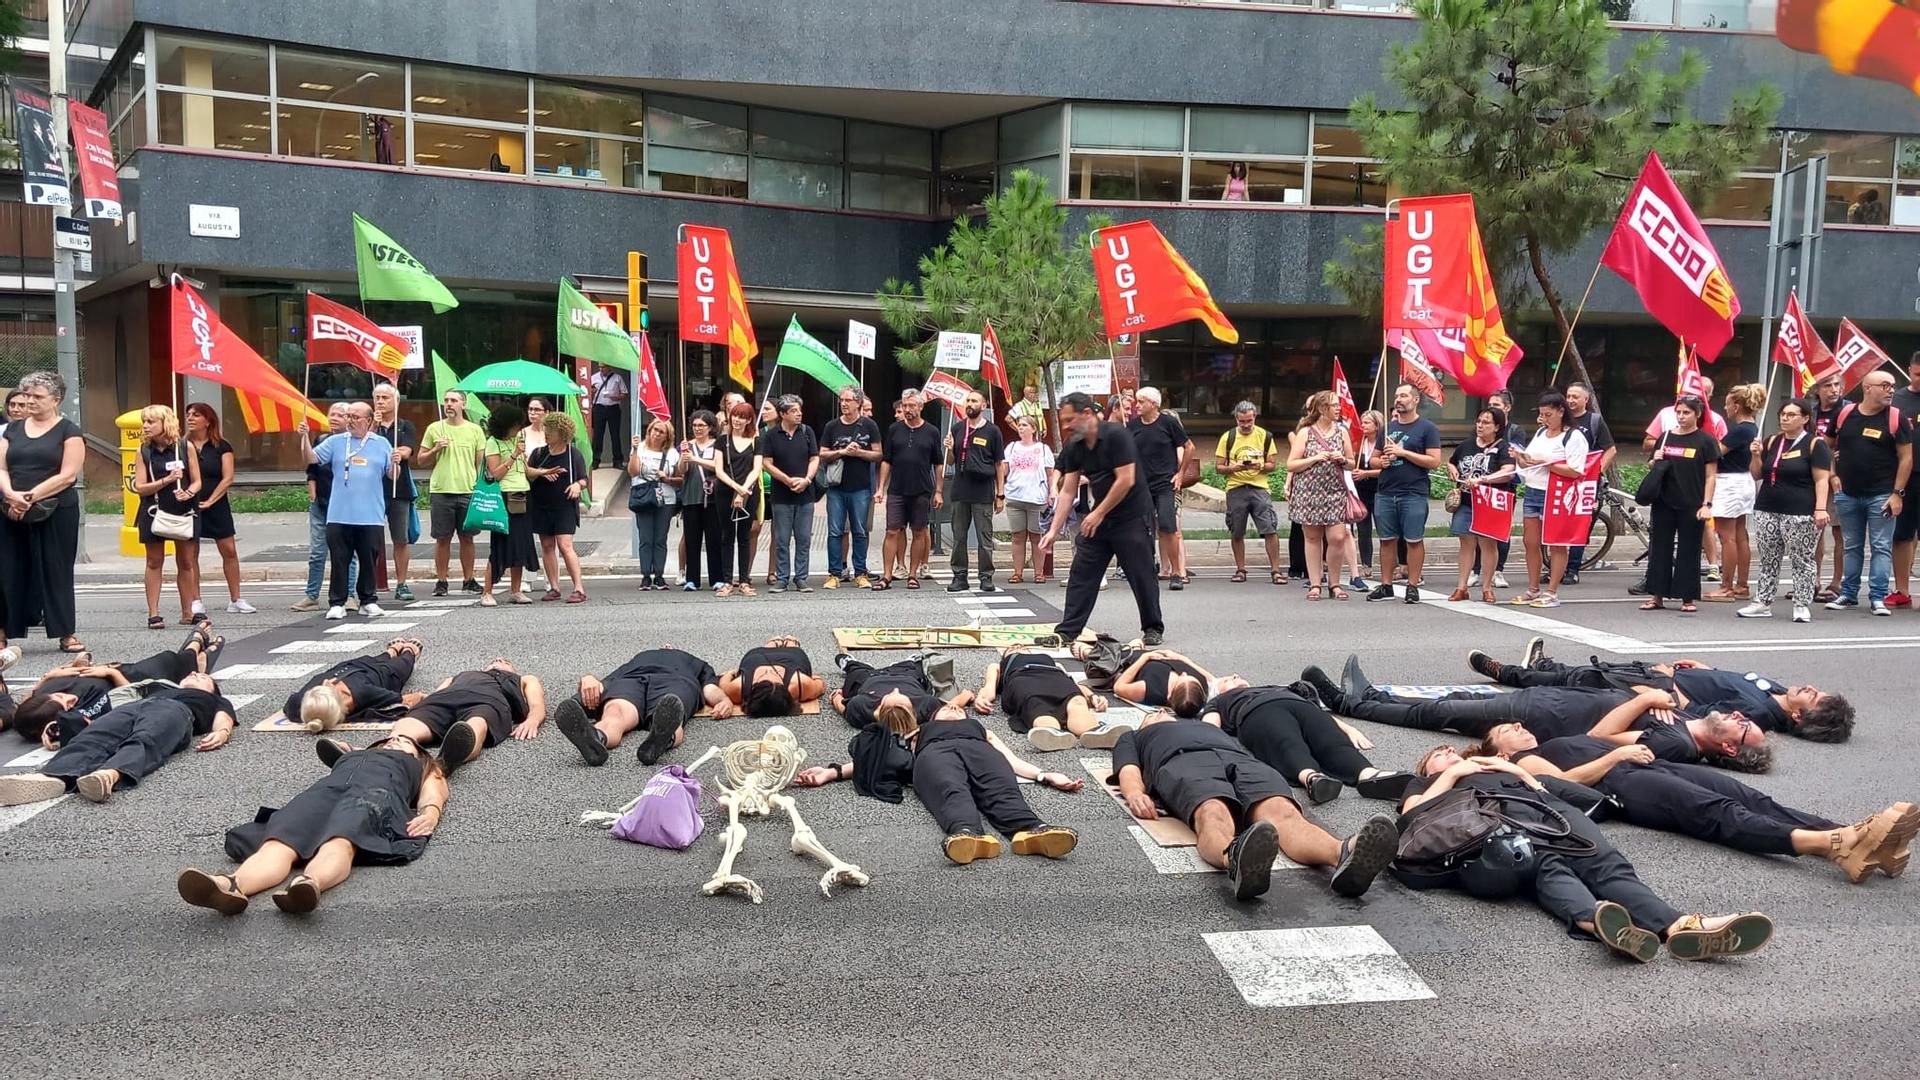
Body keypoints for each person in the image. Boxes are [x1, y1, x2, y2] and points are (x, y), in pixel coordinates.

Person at [1399, 747, 1775, 962]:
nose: (1449, 753)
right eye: (1439, 755)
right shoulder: (1427, 782)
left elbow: (1549, 791)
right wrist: (1451, 774)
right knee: (1547, 865)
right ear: (1426, 768)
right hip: (1492, 820)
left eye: (1451, 750)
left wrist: (1514, 770)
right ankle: (1598, 921)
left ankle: (1680, 927)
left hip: (1548, 809)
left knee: (1605, 862)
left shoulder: (1497, 767)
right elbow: (1412, 815)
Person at [1488, 724, 1915, 883]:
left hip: (1648, 764)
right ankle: (1832, 845)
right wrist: (1616, 756)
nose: (1520, 726)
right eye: (1509, 728)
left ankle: (1861, 835)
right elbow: (1561, 782)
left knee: (1746, 795)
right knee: (1718, 814)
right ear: (1500, 751)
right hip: (1624, 784)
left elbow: (1617, 730)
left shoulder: (1563, 737)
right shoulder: (1524, 759)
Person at [1111, 713, 1401, 902]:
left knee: (1281, 811)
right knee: (1212, 810)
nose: (1160, 713)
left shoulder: (1206, 725)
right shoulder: (1136, 736)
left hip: (1240, 760)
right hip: (1180, 761)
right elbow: (1127, 767)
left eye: (1163, 711)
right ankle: (1234, 857)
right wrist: (1136, 793)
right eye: (1152, 714)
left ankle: (1343, 854)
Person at [180, 730, 450, 915]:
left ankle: (309, 883)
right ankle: (232, 886)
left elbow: (435, 790)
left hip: (374, 794)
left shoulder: (423, 767)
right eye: (387, 739)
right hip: (324, 791)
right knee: (280, 840)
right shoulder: (354, 755)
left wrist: (430, 812)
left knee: (342, 840)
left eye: (404, 741)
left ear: (418, 754)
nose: (393, 740)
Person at [796, 695, 1082, 865]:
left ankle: (1031, 830)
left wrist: (1046, 775)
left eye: (959, 709)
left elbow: (1011, 761)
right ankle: (968, 834)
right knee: (950, 790)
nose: (955, 709)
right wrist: (831, 771)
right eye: (948, 708)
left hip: (980, 751)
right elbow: (881, 757)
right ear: (933, 715)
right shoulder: (919, 731)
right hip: (934, 755)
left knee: (1001, 787)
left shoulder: (978, 728)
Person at [1464, 645, 1855, 743]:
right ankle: (1540, 665)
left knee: (1580, 682)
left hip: (1656, 687)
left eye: (1815, 698)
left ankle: (1508, 673)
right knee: (1585, 672)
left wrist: (1663, 686)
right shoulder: (1777, 692)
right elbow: (1728, 681)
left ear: (1800, 718)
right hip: (1661, 677)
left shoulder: (1760, 714)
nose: (1812, 688)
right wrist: (1703, 668)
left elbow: (1700, 711)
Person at [1039, 392, 1165, 646]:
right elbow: (1067, 489)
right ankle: (1067, 631)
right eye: (1063, 421)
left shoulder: (1116, 436)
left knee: (1141, 573)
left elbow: (1126, 479)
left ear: (1087, 414)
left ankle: (1153, 627)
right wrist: (1054, 530)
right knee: (1082, 571)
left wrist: (1098, 512)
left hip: (1131, 515)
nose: (1066, 426)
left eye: (1070, 419)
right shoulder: (1075, 444)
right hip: (1101, 520)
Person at [0, 674, 237, 807]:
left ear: (212, 690)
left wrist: (222, 732)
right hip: (135, 706)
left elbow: (224, 717)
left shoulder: (212, 700)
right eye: (194, 672)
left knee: (147, 738)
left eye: (203, 677)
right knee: (95, 737)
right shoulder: (158, 686)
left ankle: (110, 774)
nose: (195, 674)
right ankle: (54, 777)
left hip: (179, 711)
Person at [1201, 677, 1411, 804]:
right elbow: (1209, 728)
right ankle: (1312, 778)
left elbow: (1324, 719)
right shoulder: (1219, 702)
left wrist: (1348, 728)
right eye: (1228, 679)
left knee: (1331, 741)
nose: (1235, 676)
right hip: (1257, 712)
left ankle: (1369, 775)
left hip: (1301, 706)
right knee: (1285, 742)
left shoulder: (1274, 687)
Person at [7, 627, 224, 747]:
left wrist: (47, 677)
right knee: (168, 662)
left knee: (170, 662)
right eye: (66, 703)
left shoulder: (38, 703)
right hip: (127, 679)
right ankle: (196, 650)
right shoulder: (83, 713)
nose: (69, 699)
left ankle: (197, 656)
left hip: (101, 672)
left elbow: (26, 706)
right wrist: (112, 673)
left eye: (60, 696)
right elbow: (130, 697)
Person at [322, 659, 543, 777]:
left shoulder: (522, 678)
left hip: (488, 700)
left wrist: (532, 720)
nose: (498, 659)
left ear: (512, 667)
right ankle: (373, 754)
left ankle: (447, 760)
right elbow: (435, 695)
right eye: (495, 659)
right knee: (406, 727)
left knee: (476, 724)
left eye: (504, 660)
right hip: (446, 698)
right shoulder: (460, 675)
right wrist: (416, 706)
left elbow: (537, 704)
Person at [0, 372, 86, 655]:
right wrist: (12, 495)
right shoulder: (12, 430)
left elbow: (68, 474)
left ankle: (65, 633)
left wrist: (30, 496)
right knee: (7, 570)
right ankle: (3, 632)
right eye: (27, 396)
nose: (29, 401)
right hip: (11, 508)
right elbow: (1, 467)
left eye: (37, 397)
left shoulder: (69, 431)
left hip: (56, 509)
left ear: (56, 399)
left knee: (56, 570)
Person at [552, 647, 733, 766]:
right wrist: (587, 679)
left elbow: (709, 687)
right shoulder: (640, 657)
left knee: (670, 708)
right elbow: (604, 682)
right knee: (615, 711)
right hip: (632, 679)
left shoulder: (695, 662)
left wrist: (723, 700)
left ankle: (659, 740)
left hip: (676, 679)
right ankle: (594, 740)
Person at [1742, 397, 1833, 622]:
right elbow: (1756, 474)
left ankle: (1801, 603)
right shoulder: (1772, 441)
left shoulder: (1814, 444)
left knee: (1802, 558)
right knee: (1768, 558)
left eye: (1791, 415)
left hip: (1800, 510)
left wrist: (1820, 508)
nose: (1785, 418)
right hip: (1768, 506)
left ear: (1804, 419)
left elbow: (1822, 479)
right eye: (1782, 414)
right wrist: (1755, 455)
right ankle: (1762, 601)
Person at [1828, 370, 1911, 615]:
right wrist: (1833, 474)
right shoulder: (1844, 414)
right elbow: (1826, 444)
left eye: (1893, 386)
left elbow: (1906, 458)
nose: (1891, 390)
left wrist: (1897, 493)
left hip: (1882, 494)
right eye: (1884, 385)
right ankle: (1848, 594)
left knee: (1881, 546)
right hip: (1848, 493)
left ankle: (1877, 597)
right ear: (1867, 388)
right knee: (1852, 545)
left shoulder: (1896, 417)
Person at [301, 401, 392, 622]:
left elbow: (392, 476)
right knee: (340, 559)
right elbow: (312, 459)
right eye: (348, 416)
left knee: (369, 559)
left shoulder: (381, 443)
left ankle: (368, 600)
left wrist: (397, 462)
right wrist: (303, 438)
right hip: (339, 514)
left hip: (370, 514)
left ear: (369, 420)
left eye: (355, 417)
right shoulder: (335, 441)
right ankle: (337, 602)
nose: (350, 420)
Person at [1642, 394, 1722, 613]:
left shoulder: (1705, 441)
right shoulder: (1666, 436)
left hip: (1692, 503)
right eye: (1678, 412)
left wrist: (1707, 504)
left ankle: (1687, 597)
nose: (1681, 416)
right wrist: (1654, 460)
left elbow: (1711, 476)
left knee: (1689, 549)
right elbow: (1654, 466)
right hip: (1664, 501)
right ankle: (1657, 595)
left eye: (1686, 412)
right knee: (1659, 548)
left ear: (1697, 414)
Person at [1510, 391, 1590, 609]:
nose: (1544, 419)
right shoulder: (1539, 434)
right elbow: (1529, 463)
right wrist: (1521, 458)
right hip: (1533, 490)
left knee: (1556, 543)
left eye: (1548, 414)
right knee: (1531, 542)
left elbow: (1575, 470)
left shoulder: (1573, 436)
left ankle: (1552, 590)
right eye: (1542, 415)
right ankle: (1533, 588)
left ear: (1561, 412)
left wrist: (1548, 463)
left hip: (1556, 493)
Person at [1365, 383, 1443, 603]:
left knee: (1413, 540)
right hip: (1386, 491)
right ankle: (1386, 585)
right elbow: (1372, 459)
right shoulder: (1387, 428)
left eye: (1404, 395)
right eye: (1397, 395)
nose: (1399, 399)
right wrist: (1381, 461)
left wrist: (1403, 453)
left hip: (1413, 492)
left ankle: (1412, 585)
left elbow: (1434, 461)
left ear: (1415, 400)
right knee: (1386, 539)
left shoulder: (1427, 428)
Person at [132, 404, 206, 630]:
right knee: (154, 561)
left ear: (165, 424)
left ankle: (188, 611)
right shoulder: (143, 451)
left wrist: (189, 492)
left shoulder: (185, 447)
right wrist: (166, 480)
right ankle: (154, 613)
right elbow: (140, 487)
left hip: (183, 508)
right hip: (153, 509)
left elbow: (197, 480)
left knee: (186, 562)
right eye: (144, 421)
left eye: (150, 422)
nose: (145, 426)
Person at [973, 644, 1120, 752]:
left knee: (1075, 700)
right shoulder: (998, 665)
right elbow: (989, 686)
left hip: (1055, 676)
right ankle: (1051, 731)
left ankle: (1092, 732)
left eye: (1022, 647)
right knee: (1036, 703)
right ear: (1005, 656)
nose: (1017, 646)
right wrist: (981, 698)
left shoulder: (1054, 663)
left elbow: (1072, 681)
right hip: (1023, 677)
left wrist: (1092, 696)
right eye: (1010, 648)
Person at [1286, 390, 1360, 600]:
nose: (1338, 408)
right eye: (1334, 405)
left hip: (1335, 491)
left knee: (1337, 537)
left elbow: (1352, 462)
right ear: (1321, 408)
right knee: (1312, 537)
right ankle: (1316, 583)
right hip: (1309, 492)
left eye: (1338, 405)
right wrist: (1314, 458)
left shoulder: (1342, 431)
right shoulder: (1306, 432)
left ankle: (1335, 584)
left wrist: (1343, 460)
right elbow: (1291, 463)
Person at [418, 389, 488, 597]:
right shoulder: (434, 428)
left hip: (467, 490)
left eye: (454, 400)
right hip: (441, 490)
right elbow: (421, 460)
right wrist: (436, 449)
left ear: (463, 404)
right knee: (442, 538)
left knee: (468, 538)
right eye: (446, 400)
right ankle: (441, 581)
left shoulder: (475, 430)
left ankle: (469, 579)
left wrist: (478, 486)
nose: (449, 404)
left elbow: (479, 463)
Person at [184, 403, 251, 614]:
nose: (190, 418)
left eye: (196, 415)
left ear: (208, 420)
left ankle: (236, 598)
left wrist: (211, 500)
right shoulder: (181, 445)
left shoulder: (221, 445)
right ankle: (195, 599)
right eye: (188, 415)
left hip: (216, 503)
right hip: (190, 503)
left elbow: (228, 477)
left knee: (229, 550)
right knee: (190, 552)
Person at [1447, 406, 1517, 603]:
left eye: (1486, 422)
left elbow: (1508, 472)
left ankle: (1487, 587)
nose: (1480, 425)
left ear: (1497, 426)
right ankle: (1461, 587)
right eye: (1479, 421)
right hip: (1467, 501)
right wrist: (1452, 470)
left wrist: (1483, 480)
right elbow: (1452, 461)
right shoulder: (1467, 445)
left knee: (1488, 544)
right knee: (1466, 543)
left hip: (1489, 502)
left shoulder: (1504, 447)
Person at [875, 392, 942, 590]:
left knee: (919, 531)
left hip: (921, 489)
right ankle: (887, 574)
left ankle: (913, 574)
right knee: (892, 530)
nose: (907, 409)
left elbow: (938, 463)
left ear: (920, 407)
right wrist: (880, 488)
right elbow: (887, 460)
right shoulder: (894, 429)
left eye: (912, 405)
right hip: (897, 489)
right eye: (905, 405)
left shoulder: (931, 431)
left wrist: (938, 490)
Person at [286, 637, 425, 733]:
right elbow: (405, 699)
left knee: (379, 657)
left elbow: (291, 705)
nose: (326, 681)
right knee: (403, 663)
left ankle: (392, 650)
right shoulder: (363, 693)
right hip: (384, 674)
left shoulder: (297, 703)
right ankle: (409, 650)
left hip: (352, 666)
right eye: (329, 686)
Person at [1704, 384, 1765, 602]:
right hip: (1743, 482)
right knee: (1740, 535)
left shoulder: (1739, 430)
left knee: (1726, 536)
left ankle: (1727, 586)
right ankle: (1741, 585)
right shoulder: (1751, 428)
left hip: (1730, 483)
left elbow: (1715, 452)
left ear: (1737, 406)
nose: (1725, 407)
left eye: (1728, 403)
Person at [1128, 387, 1190, 590]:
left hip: (1164, 484)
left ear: (1154, 404)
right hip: (1141, 486)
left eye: (1141, 402)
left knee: (1168, 527)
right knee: (1142, 530)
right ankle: (1146, 570)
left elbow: (1189, 447)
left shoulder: (1168, 423)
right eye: (1137, 402)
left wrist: (1180, 473)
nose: (1137, 406)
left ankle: (1176, 572)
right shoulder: (1132, 426)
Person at [293, 404, 353, 613]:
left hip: (344, 505)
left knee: (348, 552)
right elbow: (311, 467)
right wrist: (304, 438)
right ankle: (312, 595)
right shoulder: (321, 440)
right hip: (321, 503)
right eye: (332, 414)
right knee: (317, 552)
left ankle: (350, 594)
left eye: (340, 415)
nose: (335, 418)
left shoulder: (354, 443)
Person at [945, 390, 1007, 593]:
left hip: (983, 492)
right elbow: (951, 461)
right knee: (959, 537)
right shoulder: (956, 428)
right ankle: (960, 576)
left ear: (984, 405)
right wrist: (951, 448)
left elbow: (999, 464)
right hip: (960, 491)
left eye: (975, 401)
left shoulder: (992, 431)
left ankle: (986, 577)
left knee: (984, 537)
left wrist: (1000, 494)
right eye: (968, 400)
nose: (970, 403)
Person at [1215, 400, 1283, 585]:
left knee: (1269, 528)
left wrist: (1259, 465)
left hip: (1259, 487)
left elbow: (1272, 465)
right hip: (1236, 487)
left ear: (1255, 418)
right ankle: (1240, 569)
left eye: (1249, 421)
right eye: (1241, 421)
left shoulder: (1265, 436)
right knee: (1237, 530)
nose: (1245, 425)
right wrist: (1233, 468)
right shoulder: (1227, 437)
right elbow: (1219, 467)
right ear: (1236, 418)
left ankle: (1276, 570)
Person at [821, 386, 881, 590]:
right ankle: (834, 573)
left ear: (858, 403)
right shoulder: (831, 426)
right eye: (841, 400)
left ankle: (861, 572)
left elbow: (878, 454)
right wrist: (842, 451)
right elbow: (822, 454)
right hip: (836, 487)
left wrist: (859, 453)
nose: (844, 404)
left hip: (861, 487)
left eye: (848, 400)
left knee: (860, 531)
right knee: (835, 531)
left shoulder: (869, 425)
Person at [759, 395, 819, 592]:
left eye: (800, 410)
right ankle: (782, 577)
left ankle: (801, 577)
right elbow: (766, 462)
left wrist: (807, 479)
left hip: (805, 493)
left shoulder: (807, 432)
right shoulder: (771, 435)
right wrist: (785, 479)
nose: (799, 414)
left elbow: (814, 458)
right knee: (782, 539)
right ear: (783, 414)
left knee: (803, 538)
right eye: (793, 411)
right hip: (781, 494)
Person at [527, 412, 588, 603]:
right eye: (546, 429)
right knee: (546, 545)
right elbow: (528, 474)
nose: (547, 433)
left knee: (565, 545)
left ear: (562, 433)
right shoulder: (538, 454)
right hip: (541, 504)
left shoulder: (573, 454)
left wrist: (578, 485)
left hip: (564, 505)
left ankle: (579, 588)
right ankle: (554, 586)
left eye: (551, 430)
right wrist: (543, 473)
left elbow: (584, 478)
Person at [479, 405, 536, 607]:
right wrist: (513, 455)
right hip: (504, 495)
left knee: (520, 543)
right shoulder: (493, 443)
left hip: (522, 493)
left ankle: (516, 589)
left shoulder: (517, 440)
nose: (518, 429)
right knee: (501, 544)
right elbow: (495, 474)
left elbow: (526, 469)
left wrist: (543, 472)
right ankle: (487, 591)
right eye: (515, 425)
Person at [1560, 383, 1615, 584]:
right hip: (1562, 478)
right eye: (1568, 396)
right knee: (1559, 525)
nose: (1571, 400)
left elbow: (1610, 450)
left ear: (1586, 399)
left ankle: (1573, 569)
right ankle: (1556, 568)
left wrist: (1596, 471)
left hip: (1586, 483)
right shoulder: (1559, 418)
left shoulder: (1594, 421)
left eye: (1575, 396)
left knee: (1580, 525)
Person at [369, 383, 419, 602]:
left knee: (400, 539)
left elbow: (407, 450)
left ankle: (402, 583)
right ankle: (369, 584)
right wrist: (373, 426)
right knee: (370, 539)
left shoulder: (405, 426)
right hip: (372, 490)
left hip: (400, 489)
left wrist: (398, 453)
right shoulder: (369, 425)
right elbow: (362, 445)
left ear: (396, 401)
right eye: (377, 397)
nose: (380, 401)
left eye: (385, 397)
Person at [628, 419, 681, 591]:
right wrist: (635, 450)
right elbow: (633, 471)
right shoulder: (640, 448)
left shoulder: (672, 453)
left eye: (661, 431)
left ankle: (659, 575)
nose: (657, 434)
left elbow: (680, 477)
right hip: (643, 496)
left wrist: (666, 477)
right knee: (645, 537)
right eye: (654, 430)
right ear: (649, 430)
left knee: (660, 538)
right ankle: (645, 575)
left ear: (667, 436)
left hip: (665, 498)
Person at [1002, 416, 1056, 584]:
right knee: (1017, 536)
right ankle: (1017, 572)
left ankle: (1038, 572)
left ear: (1033, 429)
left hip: (1036, 498)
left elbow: (1050, 473)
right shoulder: (1011, 447)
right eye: (1019, 425)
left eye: (1025, 425)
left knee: (1036, 536)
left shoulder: (1043, 449)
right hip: (1015, 496)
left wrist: (1052, 492)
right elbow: (1004, 470)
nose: (1021, 428)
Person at [678, 410, 726, 593]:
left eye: (701, 426)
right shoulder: (686, 445)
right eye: (695, 425)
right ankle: (692, 579)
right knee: (692, 539)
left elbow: (719, 466)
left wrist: (696, 459)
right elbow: (681, 471)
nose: (698, 429)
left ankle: (717, 578)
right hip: (691, 497)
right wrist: (684, 458)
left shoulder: (718, 444)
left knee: (714, 539)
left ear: (710, 427)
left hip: (714, 498)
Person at [717, 402, 762, 596]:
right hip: (725, 492)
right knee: (727, 536)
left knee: (744, 536)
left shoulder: (756, 440)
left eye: (742, 416)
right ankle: (727, 581)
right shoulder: (722, 440)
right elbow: (719, 470)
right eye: (735, 415)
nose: (737, 420)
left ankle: (744, 581)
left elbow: (757, 468)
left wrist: (743, 491)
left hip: (749, 492)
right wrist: (736, 489)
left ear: (749, 420)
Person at [717, 636, 824, 716]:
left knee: (770, 648)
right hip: (791, 657)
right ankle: (790, 643)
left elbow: (724, 685)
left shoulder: (739, 688)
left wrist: (730, 673)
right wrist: (813, 678)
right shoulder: (800, 684)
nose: (769, 674)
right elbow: (821, 685)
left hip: (758, 656)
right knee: (792, 646)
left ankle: (773, 643)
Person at [1888, 351, 1920, 607]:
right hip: (1905, 477)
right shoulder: (1896, 400)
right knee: (1902, 535)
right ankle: (1902, 590)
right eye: (1918, 374)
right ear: (1909, 370)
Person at [1112, 647, 1216, 717]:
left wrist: (1144, 658)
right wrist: (1180, 658)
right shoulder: (1201, 682)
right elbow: (1212, 679)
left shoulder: (1149, 689)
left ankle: (1133, 646)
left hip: (1125, 660)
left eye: (1181, 678)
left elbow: (1118, 687)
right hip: (1155, 654)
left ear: (1170, 695)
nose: (1184, 673)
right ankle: (1135, 645)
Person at [1351, 409, 1384, 585]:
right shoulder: (1359, 443)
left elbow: (1387, 470)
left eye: (1367, 423)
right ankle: (1366, 564)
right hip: (1361, 491)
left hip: (1379, 489)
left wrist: (1367, 473)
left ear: (1377, 425)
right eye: (1362, 422)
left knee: (1382, 528)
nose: (1363, 425)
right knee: (1363, 529)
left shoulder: (1383, 444)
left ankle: (1390, 564)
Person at [588, 362, 628, 467]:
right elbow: (586, 391)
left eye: (603, 367)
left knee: (615, 435)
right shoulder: (593, 377)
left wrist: (616, 397)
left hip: (613, 408)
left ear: (609, 367)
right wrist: (592, 391)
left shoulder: (617, 378)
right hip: (599, 408)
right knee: (597, 436)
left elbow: (624, 394)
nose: (601, 369)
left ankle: (618, 461)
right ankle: (595, 461)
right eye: (600, 367)